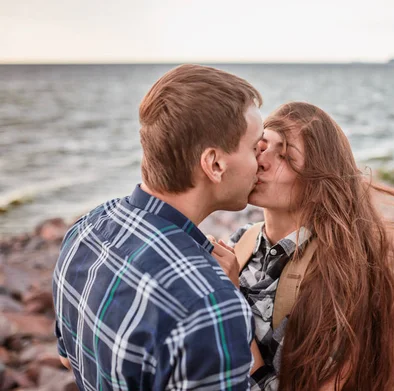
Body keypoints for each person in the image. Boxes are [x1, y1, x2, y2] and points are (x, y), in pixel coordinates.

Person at [210, 102, 394, 391]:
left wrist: (230, 303)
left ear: (317, 181)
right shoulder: (242, 242)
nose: (262, 160)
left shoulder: (339, 276)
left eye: (284, 155)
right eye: (260, 146)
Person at [52, 64, 266, 390]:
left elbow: (69, 358)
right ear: (215, 164)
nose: (260, 161)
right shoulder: (211, 301)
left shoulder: (85, 228)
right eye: (255, 147)